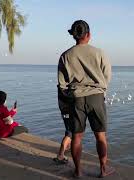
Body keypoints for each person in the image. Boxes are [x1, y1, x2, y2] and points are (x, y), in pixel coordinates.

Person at [57, 20, 113, 178]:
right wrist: (99, 89)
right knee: (100, 135)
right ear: (88, 35)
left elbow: (62, 84)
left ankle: (78, 170)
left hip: (76, 99)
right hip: (96, 97)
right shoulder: (100, 53)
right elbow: (107, 76)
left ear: (73, 35)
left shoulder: (65, 55)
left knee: (77, 136)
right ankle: (103, 170)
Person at [53, 88, 72, 164]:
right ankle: (60, 155)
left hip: (64, 110)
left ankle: (67, 147)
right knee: (70, 132)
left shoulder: (61, 86)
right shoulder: (69, 87)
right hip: (69, 111)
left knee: (68, 128)